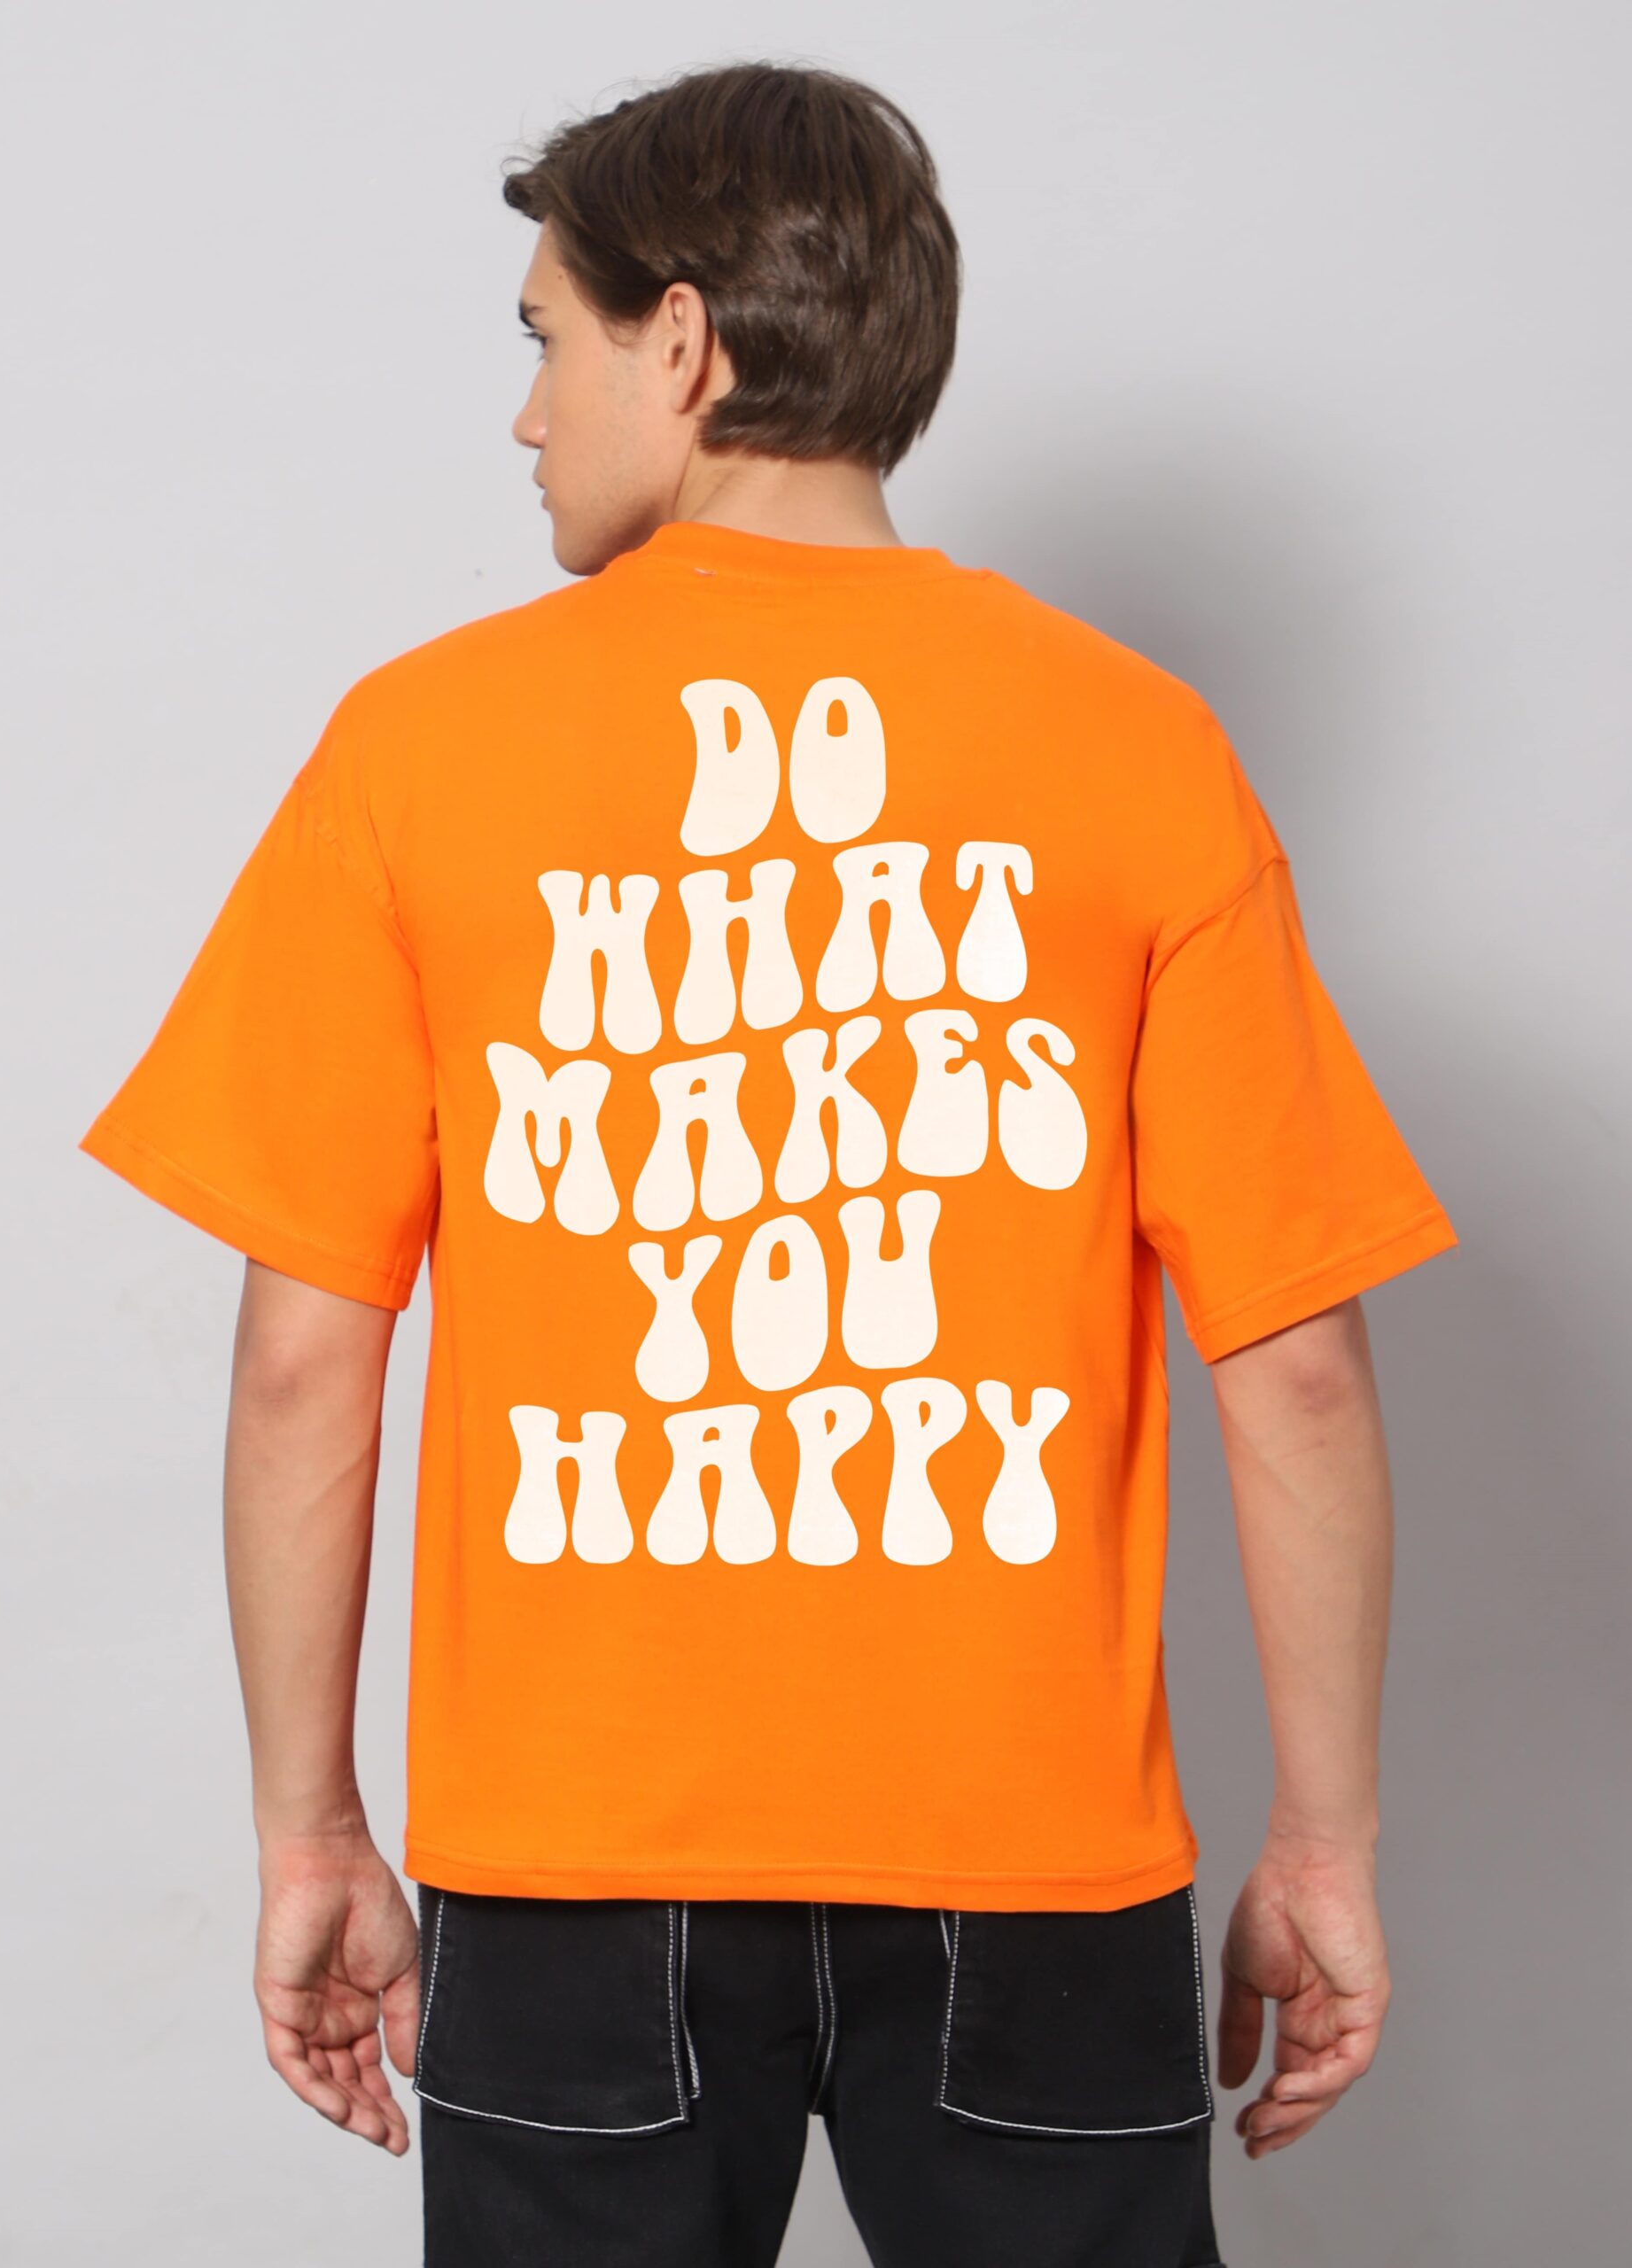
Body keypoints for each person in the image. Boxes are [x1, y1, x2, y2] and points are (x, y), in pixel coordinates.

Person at [77, 58, 1459, 2268]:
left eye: (546, 338)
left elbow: (298, 1365)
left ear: (681, 342)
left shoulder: (420, 750)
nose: (524, 414)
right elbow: (1291, 1359)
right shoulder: (1136, 747)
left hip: (574, 1863)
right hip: (1030, 1862)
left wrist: (310, 1826)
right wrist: (1322, 1840)